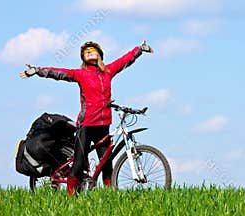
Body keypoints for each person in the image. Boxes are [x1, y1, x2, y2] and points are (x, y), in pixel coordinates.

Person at [20, 40, 154, 195]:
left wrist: (139, 49)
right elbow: (59, 73)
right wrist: (37, 70)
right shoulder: (81, 74)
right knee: (77, 165)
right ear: (83, 58)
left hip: (103, 125)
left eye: (93, 50)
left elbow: (124, 60)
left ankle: (109, 197)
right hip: (86, 125)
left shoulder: (108, 71)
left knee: (107, 165)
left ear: (100, 55)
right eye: (86, 52)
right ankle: (70, 199)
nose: (90, 52)